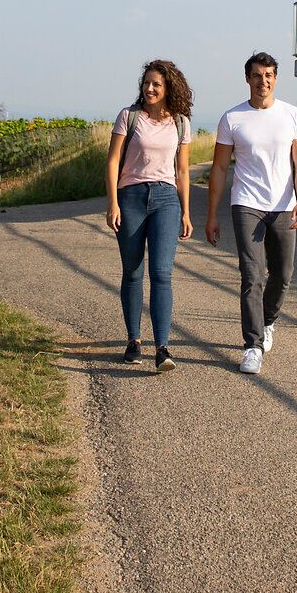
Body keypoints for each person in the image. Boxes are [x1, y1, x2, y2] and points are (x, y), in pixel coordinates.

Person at [205, 51, 297, 375]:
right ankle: (252, 346)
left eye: (268, 75)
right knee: (252, 275)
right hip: (246, 202)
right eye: (256, 75)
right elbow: (220, 167)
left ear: (275, 78)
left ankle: (267, 321)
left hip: (283, 205)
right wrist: (211, 215)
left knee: (283, 274)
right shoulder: (232, 118)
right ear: (247, 79)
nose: (262, 81)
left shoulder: (292, 115)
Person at [105, 59, 194, 372]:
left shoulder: (181, 123)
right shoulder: (129, 117)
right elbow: (114, 161)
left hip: (166, 200)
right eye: (146, 83)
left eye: (157, 84)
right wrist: (113, 202)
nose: (150, 89)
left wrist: (186, 211)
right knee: (132, 271)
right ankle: (133, 340)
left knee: (161, 272)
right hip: (130, 198)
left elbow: (182, 170)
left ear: (168, 86)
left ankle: (162, 347)